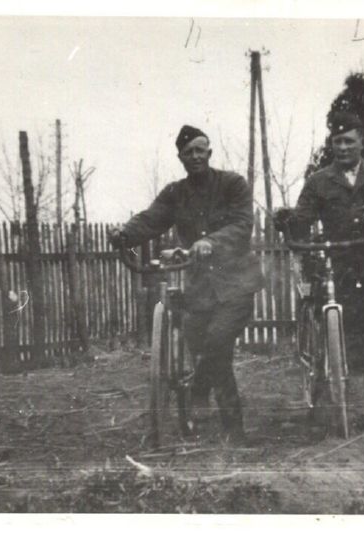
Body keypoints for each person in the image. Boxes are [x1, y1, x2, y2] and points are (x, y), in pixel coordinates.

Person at [110, 125, 264, 443]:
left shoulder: (233, 185)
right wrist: (125, 234)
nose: (195, 156)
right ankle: (233, 430)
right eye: (188, 151)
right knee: (206, 349)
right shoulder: (174, 193)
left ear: (209, 152)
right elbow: (151, 219)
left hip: (237, 282)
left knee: (218, 340)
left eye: (200, 149)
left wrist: (210, 242)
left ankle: (202, 395)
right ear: (180, 156)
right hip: (200, 289)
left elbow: (242, 225)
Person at [276, 111, 364, 438]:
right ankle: (324, 402)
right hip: (340, 266)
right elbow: (302, 219)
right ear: (331, 144)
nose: (343, 147)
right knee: (330, 331)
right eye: (337, 142)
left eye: (349, 141)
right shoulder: (319, 181)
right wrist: (287, 219)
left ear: (362, 141)